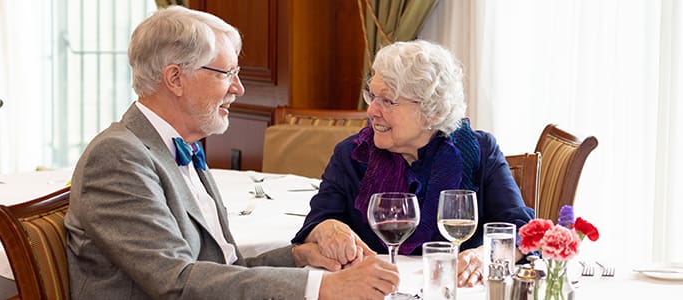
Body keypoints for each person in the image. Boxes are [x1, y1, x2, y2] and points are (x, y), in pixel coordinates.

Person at [64, 6, 399, 300]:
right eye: (227, 74)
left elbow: (224, 269)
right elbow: (176, 283)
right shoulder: (118, 157)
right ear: (176, 79)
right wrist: (324, 289)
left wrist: (300, 257)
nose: (238, 88)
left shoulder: (182, 147)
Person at [292, 40, 534, 287]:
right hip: (374, 292)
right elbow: (314, 224)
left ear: (433, 112)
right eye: (372, 96)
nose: (371, 111)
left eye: (387, 101)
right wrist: (326, 227)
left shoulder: (480, 151)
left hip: (454, 290)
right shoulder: (352, 154)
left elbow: (522, 229)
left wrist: (486, 255)